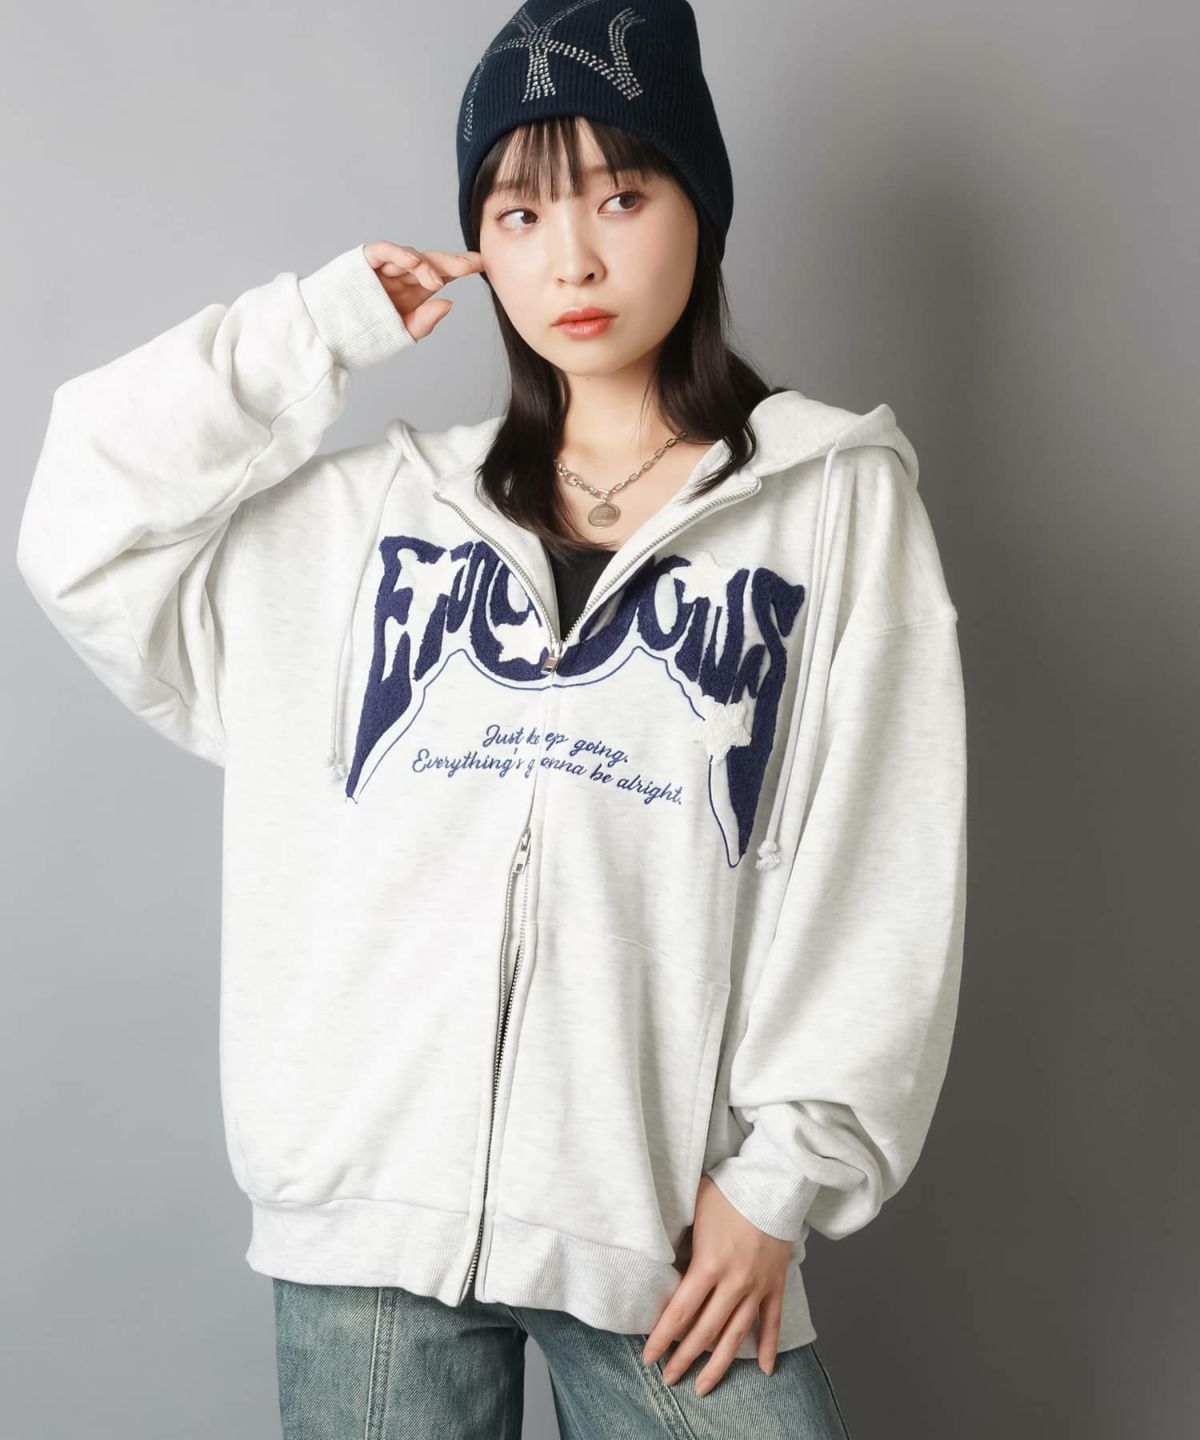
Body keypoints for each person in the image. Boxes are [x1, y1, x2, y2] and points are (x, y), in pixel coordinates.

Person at [15, 1, 967, 1435]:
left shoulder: (831, 507)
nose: (570, 259)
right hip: (367, 1226)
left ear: (699, 210)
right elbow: (81, 516)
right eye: (519, 214)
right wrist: (315, 330)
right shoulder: (364, 523)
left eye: (621, 198)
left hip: (655, 1225)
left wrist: (782, 1180)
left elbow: (881, 853)